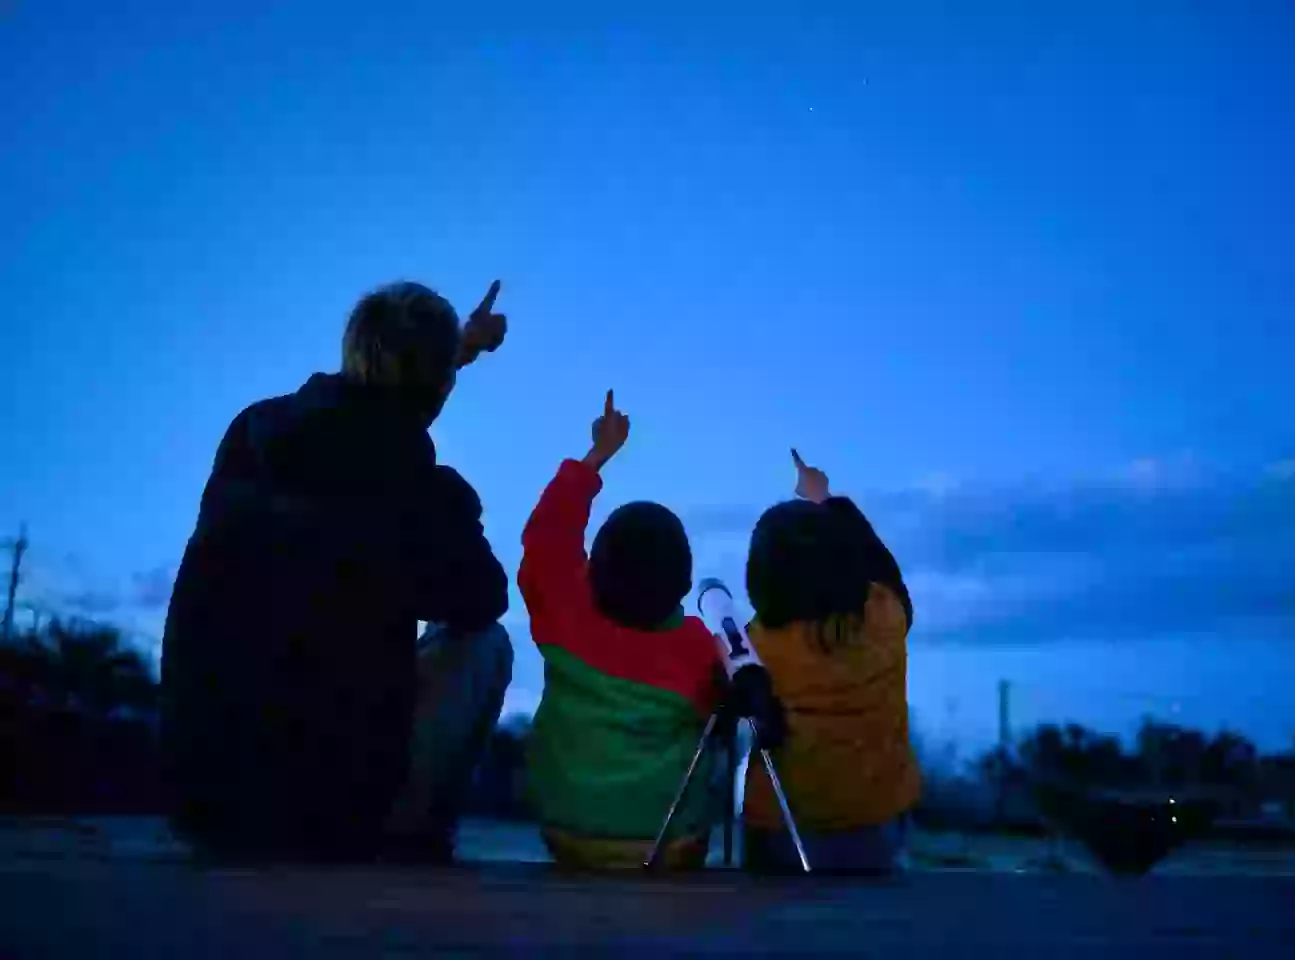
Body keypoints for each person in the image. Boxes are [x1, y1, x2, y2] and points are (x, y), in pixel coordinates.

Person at [161, 279, 514, 864]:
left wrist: (458, 350)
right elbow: (483, 597)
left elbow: (367, 419)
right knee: (484, 645)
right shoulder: (419, 490)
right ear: (441, 383)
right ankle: (409, 835)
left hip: (208, 807)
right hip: (332, 818)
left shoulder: (255, 433)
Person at [519, 391, 723, 870]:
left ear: (593, 569)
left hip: (566, 833)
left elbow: (548, 536)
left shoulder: (565, 611)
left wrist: (596, 457)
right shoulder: (697, 648)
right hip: (665, 846)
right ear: (685, 583)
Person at [740, 449, 920, 874]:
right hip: (876, 832)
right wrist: (826, 499)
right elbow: (882, 565)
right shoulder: (886, 614)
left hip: (783, 834)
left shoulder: (758, 643)